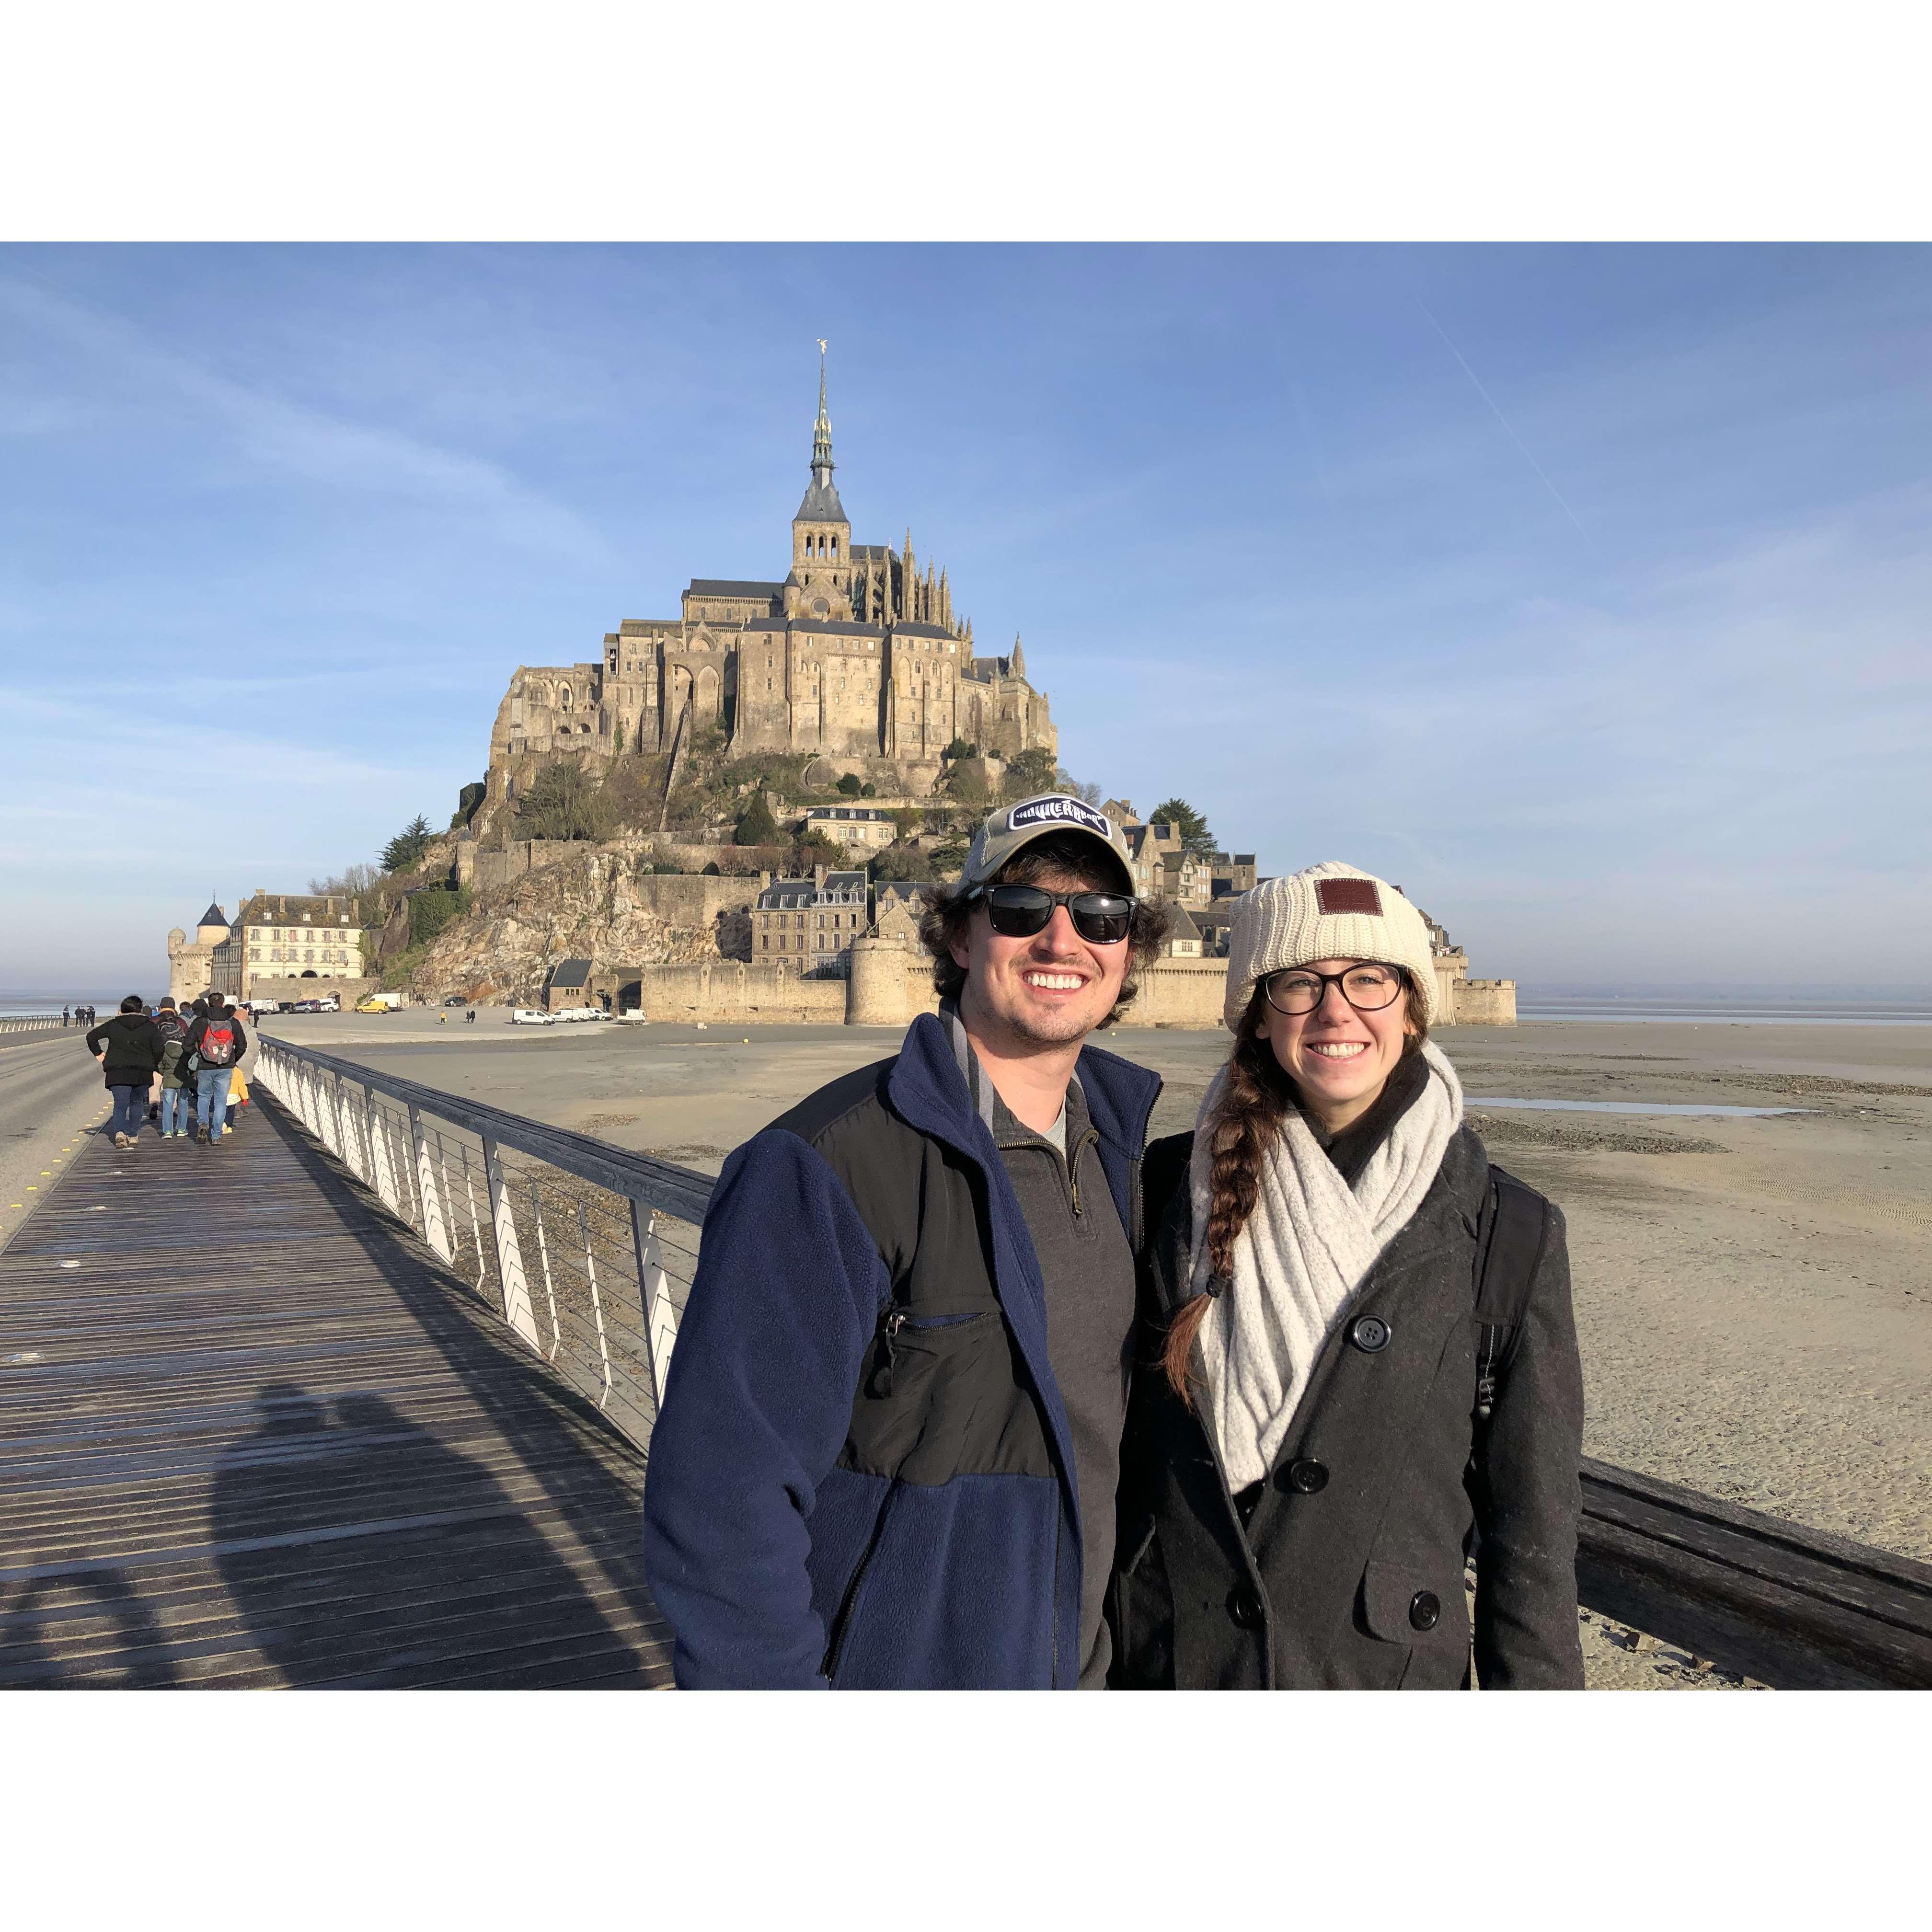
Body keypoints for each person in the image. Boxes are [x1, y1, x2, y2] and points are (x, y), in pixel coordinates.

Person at [643, 794, 1171, 1688]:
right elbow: (722, 1496)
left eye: (1099, 917)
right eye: (1019, 909)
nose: (1061, 941)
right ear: (960, 936)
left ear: (1128, 950)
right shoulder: (821, 1165)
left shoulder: (1126, 1161)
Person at [1109, 861, 1585, 1690]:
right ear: (1259, 1017)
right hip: (1175, 1661)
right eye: (1299, 983)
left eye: (1369, 980)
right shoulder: (1159, 1192)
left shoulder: (1510, 1230)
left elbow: (1533, 1536)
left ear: (1410, 1007)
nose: (1336, 1010)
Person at [86, 996, 164, 1149]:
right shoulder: (149, 1026)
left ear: (123, 1009)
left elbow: (91, 1036)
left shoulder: (114, 1024)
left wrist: (99, 1053)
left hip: (117, 1071)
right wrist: (152, 1062)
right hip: (142, 1071)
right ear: (140, 1009)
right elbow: (160, 1048)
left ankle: (120, 1133)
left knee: (120, 1104)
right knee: (136, 1103)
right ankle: (133, 1134)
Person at [183, 991, 249, 1147]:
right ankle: (216, 1136)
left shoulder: (200, 1022)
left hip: (205, 1067)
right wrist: (232, 1059)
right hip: (226, 1067)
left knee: (204, 1097)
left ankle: (203, 1123)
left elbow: (187, 1044)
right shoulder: (232, 1022)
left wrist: (198, 1057)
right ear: (223, 1003)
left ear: (209, 1004)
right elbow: (242, 1045)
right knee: (221, 1101)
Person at [154, 997, 193, 1138]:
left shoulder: (155, 1022)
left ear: (161, 1006)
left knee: (168, 1103)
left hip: (168, 1074)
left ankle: (168, 1131)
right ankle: (182, 1129)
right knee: (183, 1102)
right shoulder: (181, 1022)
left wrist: (163, 1071)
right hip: (183, 1076)